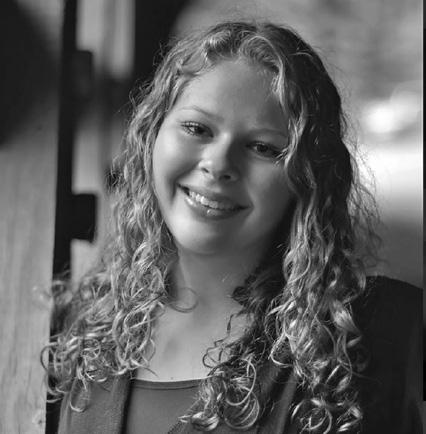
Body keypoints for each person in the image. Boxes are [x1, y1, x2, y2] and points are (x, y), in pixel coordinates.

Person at [45, 21, 422, 433]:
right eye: (197, 129)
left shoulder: (375, 333)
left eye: (262, 147)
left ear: (307, 178)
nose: (219, 164)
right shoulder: (86, 323)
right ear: (151, 136)